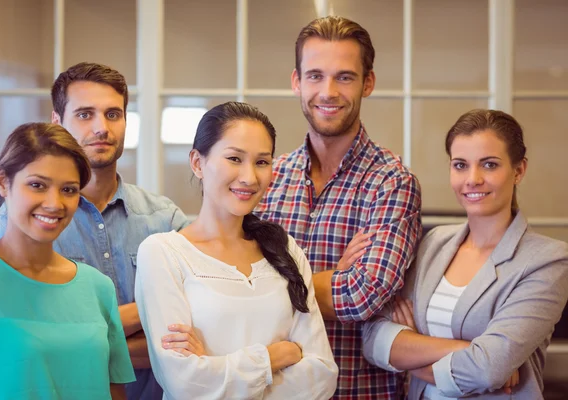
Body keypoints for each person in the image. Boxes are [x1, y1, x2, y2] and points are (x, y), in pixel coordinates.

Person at [0, 62, 189, 399]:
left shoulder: (165, 218)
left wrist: (87, 340)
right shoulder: (23, 218)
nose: (101, 127)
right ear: (58, 122)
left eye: (113, 114)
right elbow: (39, 336)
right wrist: (152, 310)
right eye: (85, 114)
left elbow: (198, 319)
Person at [254, 16, 422, 398]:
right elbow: (232, 287)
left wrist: (272, 288)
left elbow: (360, 295)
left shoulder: (392, 182)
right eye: (315, 75)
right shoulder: (267, 178)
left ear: (368, 83)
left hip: (358, 391)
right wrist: (332, 275)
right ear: (297, 81)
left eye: (344, 77)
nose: (327, 91)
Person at [134, 102, 338, 399]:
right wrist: (274, 358)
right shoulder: (163, 253)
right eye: (234, 158)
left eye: (262, 162)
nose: (250, 178)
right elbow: (184, 383)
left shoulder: (285, 249)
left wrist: (216, 369)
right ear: (197, 162)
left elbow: (322, 376)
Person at [362, 109, 568, 399]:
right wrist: (466, 351)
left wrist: (410, 351)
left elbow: (487, 369)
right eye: (460, 165)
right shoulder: (433, 243)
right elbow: (373, 341)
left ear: (519, 170)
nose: (473, 179)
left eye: (489, 165)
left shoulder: (548, 260)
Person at [0, 122, 135, 399]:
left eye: (68, 190)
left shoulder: (98, 288)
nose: (54, 203)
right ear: (2, 182)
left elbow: (114, 392)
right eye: (37, 185)